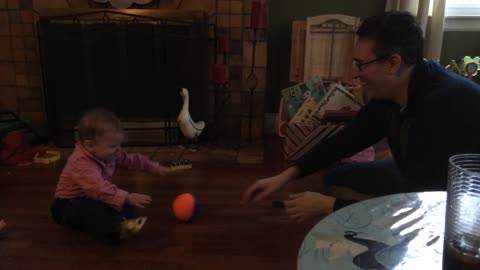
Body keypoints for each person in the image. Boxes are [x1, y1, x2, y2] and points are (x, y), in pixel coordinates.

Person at [243, 11, 480, 222]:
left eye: (361, 64)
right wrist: (285, 176)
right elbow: (348, 139)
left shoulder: (443, 107)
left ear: (392, 63)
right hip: (416, 175)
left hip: (460, 205)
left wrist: (330, 207)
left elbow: (424, 208)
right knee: (337, 177)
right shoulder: (393, 91)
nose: (357, 74)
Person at [50, 108, 171, 243]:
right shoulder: (80, 162)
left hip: (92, 196)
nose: (118, 149)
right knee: (91, 208)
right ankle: (114, 231)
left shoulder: (108, 153)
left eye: (119, 145)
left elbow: (130, 160)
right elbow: (97, 189)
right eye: (113, 146)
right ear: (90, 145)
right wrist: (126, 197)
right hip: (68, 206)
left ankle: (118, 220)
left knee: (125, 206)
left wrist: (152, 166)